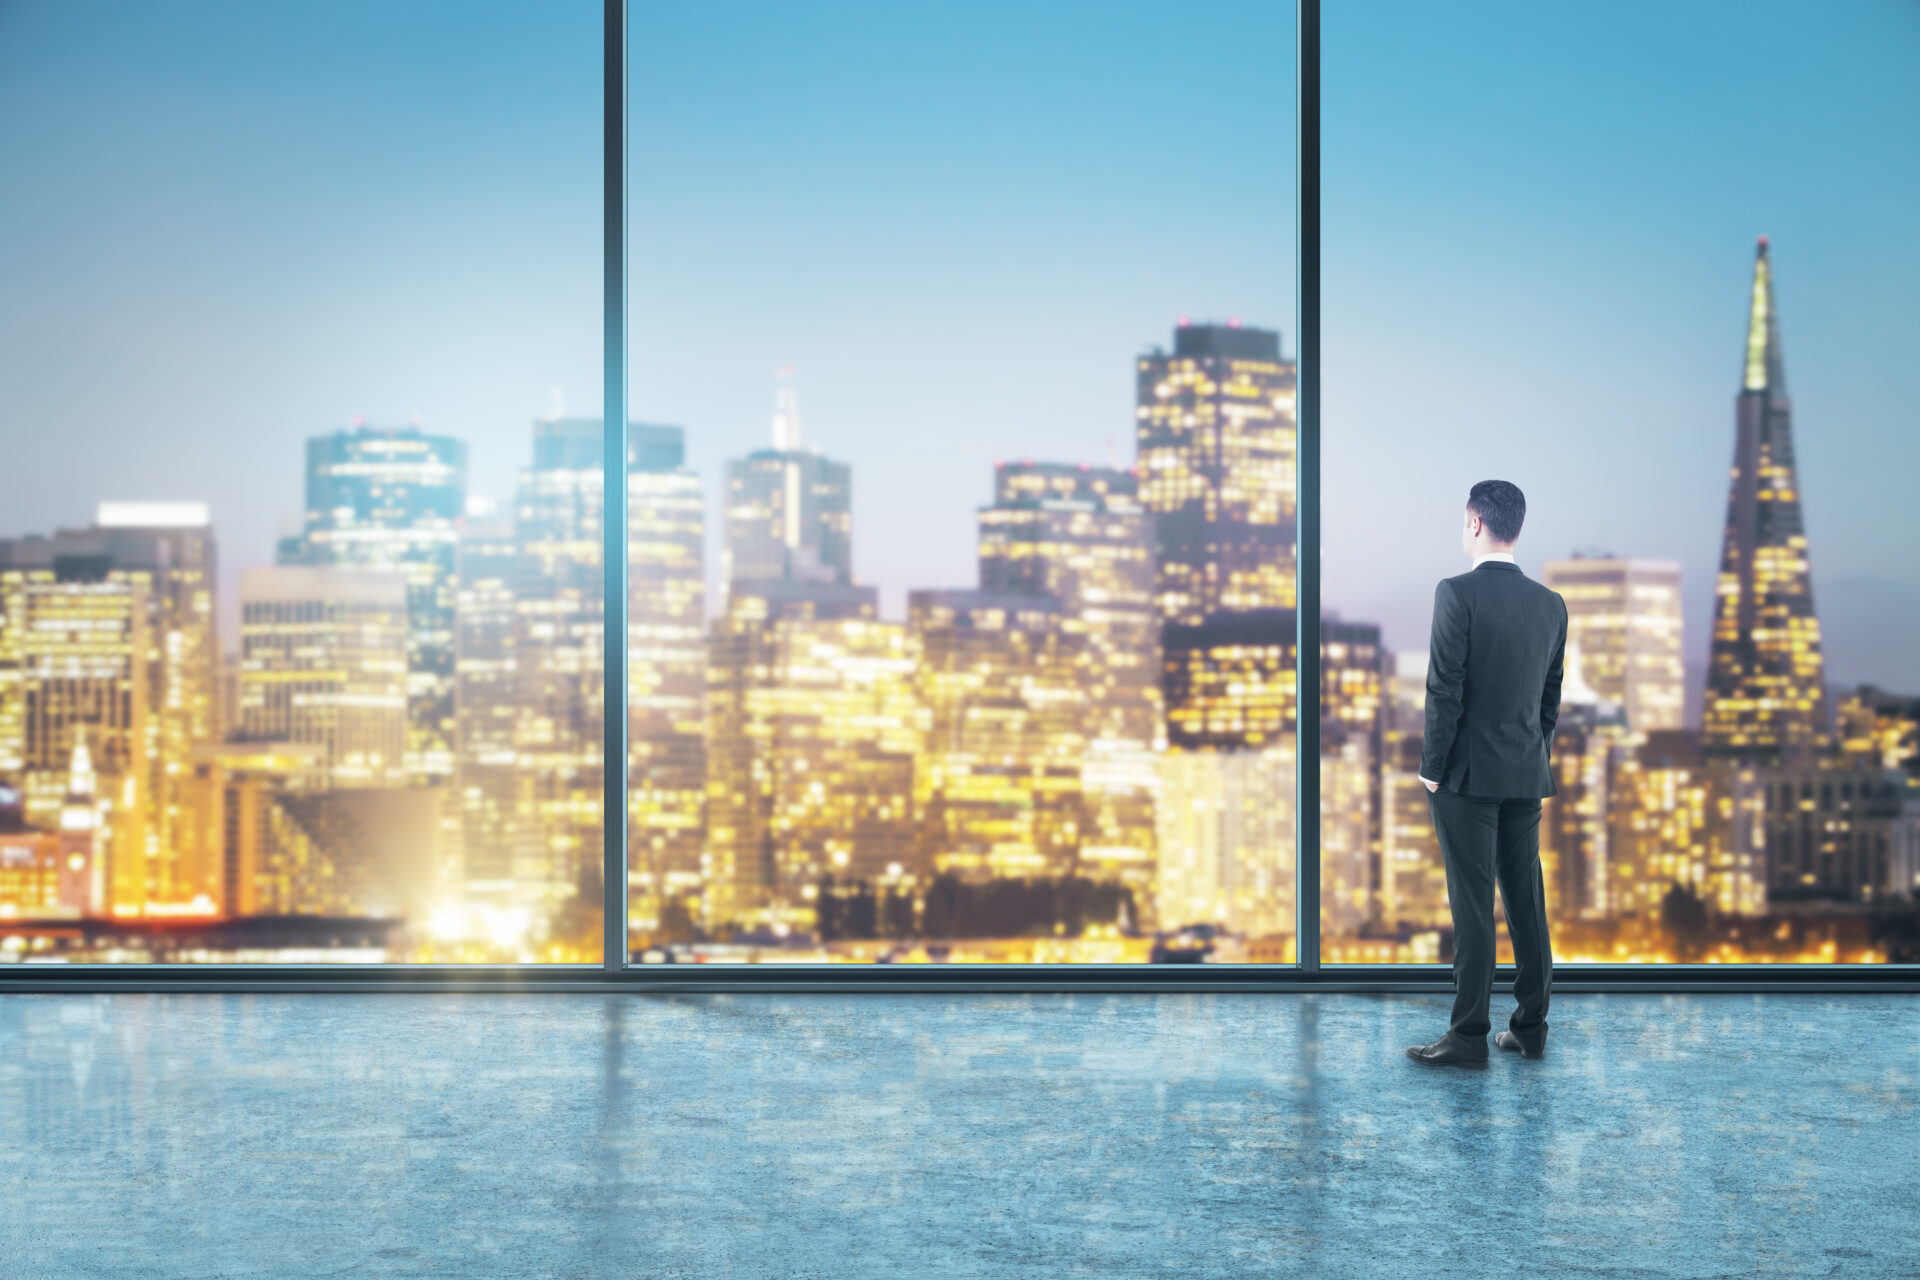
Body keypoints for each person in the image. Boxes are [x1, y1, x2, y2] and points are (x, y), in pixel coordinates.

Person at [1406, 480, 1566, 1067]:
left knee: (1472, 904)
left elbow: (1442, 690)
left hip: (1466, 778)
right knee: (1526, 900)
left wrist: (1432, 767)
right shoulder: (1552, 604)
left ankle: (1469, 1036)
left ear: (1475, 523)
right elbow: (1550, 700)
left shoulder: (1457, 593)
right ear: (1515, 527)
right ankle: (1531, 1028)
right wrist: (1533, 752)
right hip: (1527, 773)